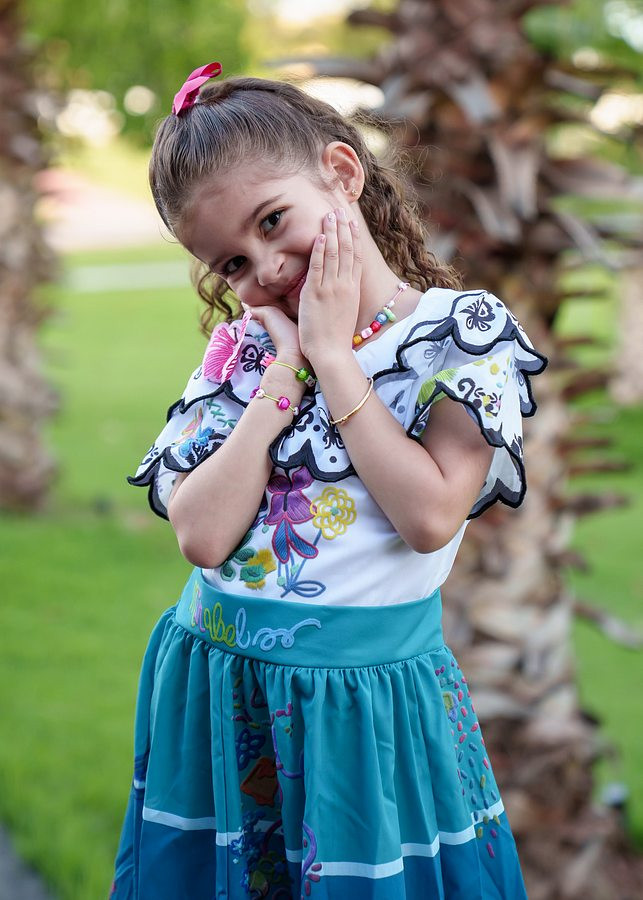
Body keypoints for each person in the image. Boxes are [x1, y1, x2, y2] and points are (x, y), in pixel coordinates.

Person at [111, 62, 547, 900]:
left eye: (273, 221)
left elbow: (429, 516)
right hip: (219, 683)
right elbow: (201, 534)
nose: (268, 268)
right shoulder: (249, 353)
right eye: (232, 262)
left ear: (342, 173)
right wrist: (281, 379)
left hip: (360, 703)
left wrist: (331, 358)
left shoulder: (458, 336)